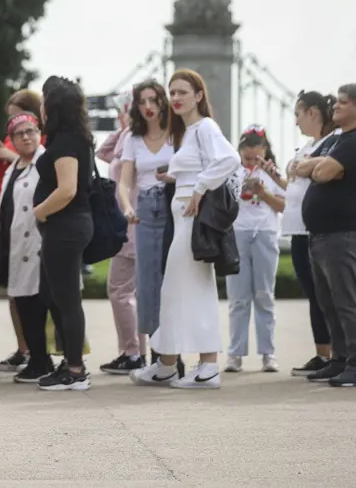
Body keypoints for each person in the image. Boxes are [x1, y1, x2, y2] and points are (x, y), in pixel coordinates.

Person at [130, 69, 239, 390]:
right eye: (172, 93)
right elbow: (198, 167)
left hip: (193, 220)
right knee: (176, 291)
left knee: (191, 289)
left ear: (199, 96)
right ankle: (168, 363)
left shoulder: (205, 127)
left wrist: (200, 188)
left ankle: (206, 366)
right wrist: (176, 178)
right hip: (182, 217)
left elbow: (229, 159)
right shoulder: (189, 131)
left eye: (182, 93)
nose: (175, 98)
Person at [31, 76, 95, 391]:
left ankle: (75, 368)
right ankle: (68, 360)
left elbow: (67, 189)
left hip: (66, 227)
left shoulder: (67, 142)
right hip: (64, 228)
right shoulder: (68, 138)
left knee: (67, 298)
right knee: (53, 294)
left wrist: (39, 210)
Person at [0, 112, 52, 383]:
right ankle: (36, 358)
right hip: (16, 245)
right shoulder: (14, 167)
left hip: (38, 244)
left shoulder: (45, 162)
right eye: (19, 134)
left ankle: (43, 361)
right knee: (23, 304)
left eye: (31, 131)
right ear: (11, 140)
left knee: (38, 305)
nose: (26, 137)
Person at [116, 80, 175, 368]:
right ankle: (157, 357)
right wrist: (127, 207)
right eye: (142, 102)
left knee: (175, 283)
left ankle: (174, 355)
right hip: (145, 210)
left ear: (163, 102)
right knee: (148, 285)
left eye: (154, 100)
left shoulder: (178, 134)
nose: (149, 107)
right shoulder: (133, 139)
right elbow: (125, 182)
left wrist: (174, 177)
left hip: (175, 207)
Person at [300, 83, 356, 387]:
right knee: (328, 302)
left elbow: (319, 173)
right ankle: (339, 359)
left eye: (343, 103)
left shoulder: (353, 142)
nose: (335, 107)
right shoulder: (336, 142)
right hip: (321, 234)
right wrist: (316, 164)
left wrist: (316, 167)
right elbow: (300, 166)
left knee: (346, 301)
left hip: (342, 234)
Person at [283, 91, 337, 375]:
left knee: (325, 295)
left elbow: (310, 172)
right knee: (314, 294)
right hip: (298, 230)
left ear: (313, 113)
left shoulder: (332, 142)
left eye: (298, 114)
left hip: (315, 230)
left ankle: (336, 355)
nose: (295, 122)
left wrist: (302, 167)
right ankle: (323, 353)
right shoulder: (309, 146)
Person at [224, 126, 286, 373]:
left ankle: (268, 353)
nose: (250, 162)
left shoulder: (274, 174)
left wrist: (263, 191)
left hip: (265, 233)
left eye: (255, 157)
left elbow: (284, 205)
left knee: (264, 295)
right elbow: (223, 203)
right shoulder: (232, 172)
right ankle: (235, 354)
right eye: (246, 157)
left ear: (265, 151)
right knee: (238, 298)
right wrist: (243, 187)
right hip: (237, 233)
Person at [96, 88, 145, 374]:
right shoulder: (128, 137)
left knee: (119, 291)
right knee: (128, 292)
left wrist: (127, 127)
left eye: (121, 109)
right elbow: (103, 152)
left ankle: (132, 352)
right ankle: (135, 351)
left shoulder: (132, 140)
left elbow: (105, 154)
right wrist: (124, 126)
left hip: (130, 225)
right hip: (127, 224)